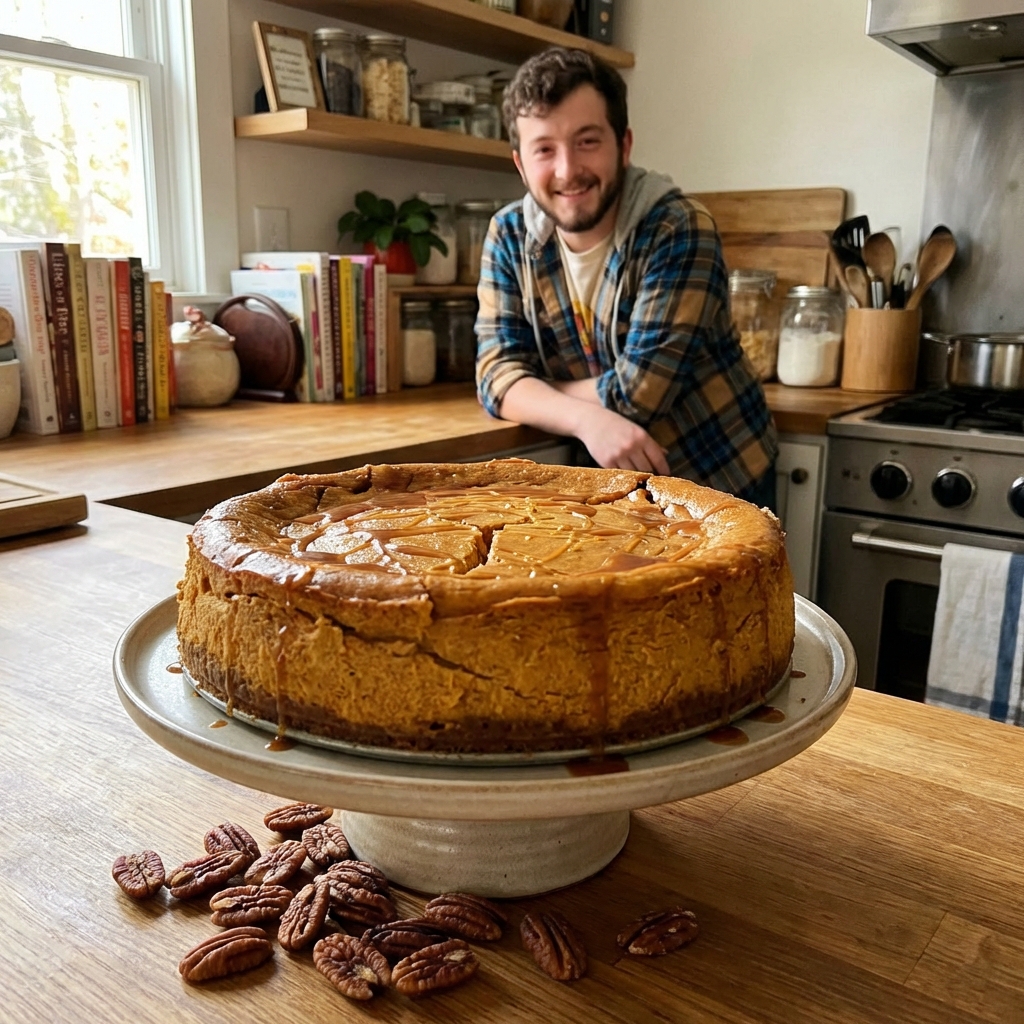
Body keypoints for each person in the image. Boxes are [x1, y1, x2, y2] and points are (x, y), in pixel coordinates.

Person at [474, 47, 778, 507]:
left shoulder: (678, 227)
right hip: (616, 484)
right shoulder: (509, 234)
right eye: (544, 150)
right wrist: (585, 420)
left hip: (722, 473)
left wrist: (536, 389)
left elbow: (637, 395)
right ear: (520, 163)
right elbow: (495, 375)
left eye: (587, 141)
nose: (567, 169)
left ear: (625, 145)